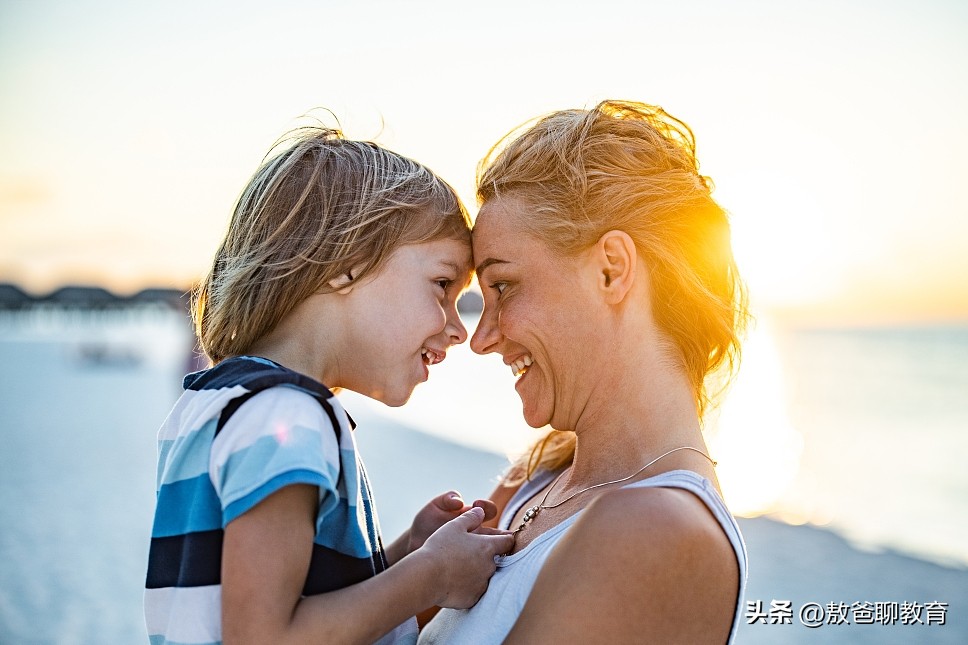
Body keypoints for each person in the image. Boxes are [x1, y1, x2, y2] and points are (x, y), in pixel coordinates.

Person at [144, 125, 515, 645]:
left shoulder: (220, 402)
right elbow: (265, 635)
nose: (457, 328)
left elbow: (293, 597)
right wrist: (430, 576)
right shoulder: (287, 418)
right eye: (442, 285)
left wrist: (406, 552)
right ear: (348, 266)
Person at [419, 100, 750, 644]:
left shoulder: (658, 531)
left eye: (503, 287)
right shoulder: (535, 479)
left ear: (610, 270)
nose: (481, 338)